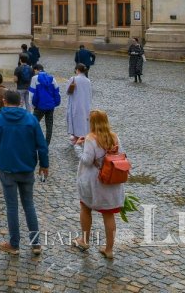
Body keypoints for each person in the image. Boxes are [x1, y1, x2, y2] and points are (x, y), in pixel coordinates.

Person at [0, 88, 49, 256]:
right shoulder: (31, 119)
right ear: (21, 102)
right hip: (27, 167)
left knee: (12, 207)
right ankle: (36, 244)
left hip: (7, 167)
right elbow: (41, 145)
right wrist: (44, 165)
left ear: (4, 101)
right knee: (29, 205)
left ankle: (14, 245)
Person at [74, 110, 124, 260]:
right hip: (111, 181)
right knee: (108, 214)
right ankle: (109, 249)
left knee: (85, 208)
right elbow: (121, 154)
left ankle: (84, 240)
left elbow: (87, 160)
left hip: (94, 182)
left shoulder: (91, 138)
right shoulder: (114, 137)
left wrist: (78, 146)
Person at [30, 64, 60, 145]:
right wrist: (55, 103)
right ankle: (47, 143)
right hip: (50, 106)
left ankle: (33, 141)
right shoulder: (52, 78)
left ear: (36, 70)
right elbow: (57, 92)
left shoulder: (34, 79)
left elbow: (31, 94)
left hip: (39, 106)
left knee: (33, 123)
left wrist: (32, 106)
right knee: (49, 125)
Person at [65, 63, 92, 147]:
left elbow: (67, 91)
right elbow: (90, 93)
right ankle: (83, 136)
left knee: (75, 120)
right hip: (85, 103)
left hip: (75, 103)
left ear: (77, 70)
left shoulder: (73, 79)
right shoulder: (88, 80)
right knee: (84, 120)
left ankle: (76, 138)